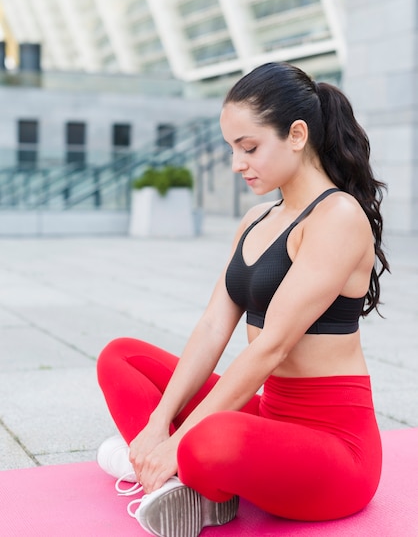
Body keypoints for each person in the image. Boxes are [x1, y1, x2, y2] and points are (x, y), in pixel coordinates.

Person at [96, 62, 389, 537]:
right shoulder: (256, 220)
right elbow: (214, 325)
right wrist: (158, 422)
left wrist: (181, 438)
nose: (237, 163)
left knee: (207, 439)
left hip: (336, 449)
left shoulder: (337, 216)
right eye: (232, 148)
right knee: (121, 357)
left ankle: (179, 471)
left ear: (297, 135)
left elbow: (271, 345)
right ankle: (183, 481)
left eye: (249, 147)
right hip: (269, 418)